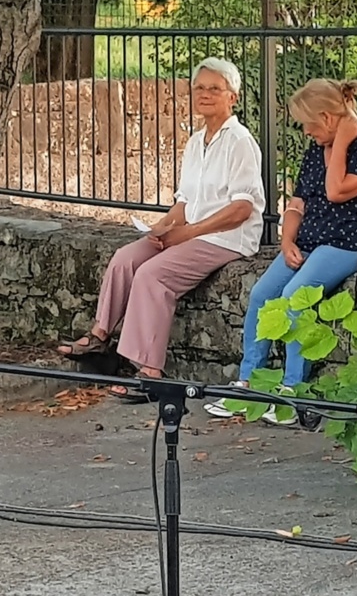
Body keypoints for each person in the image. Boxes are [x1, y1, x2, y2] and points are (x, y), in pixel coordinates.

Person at [57, 57, 264, 402]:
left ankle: (150, 372)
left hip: (225, 238)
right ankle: (100, 339)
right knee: (126, 258)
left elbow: (242, 208)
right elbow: (185, 201)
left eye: (215, 89)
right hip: (193, 231)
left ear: (233, 97)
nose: (205, 94)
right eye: (199, 87)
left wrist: (189, 232)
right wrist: (163, 227)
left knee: (153, 276)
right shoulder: (196, 141)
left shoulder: (239, 141)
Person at [204, 77, 357, 423]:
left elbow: (336, 191)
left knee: (295, 297)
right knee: (262, 294)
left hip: (351, 241)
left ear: (327, 117)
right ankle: (249, 382)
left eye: (309, 123)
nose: (306, 131)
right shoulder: (315, 150)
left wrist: (342, 140)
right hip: (309, 240)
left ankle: (294, 392)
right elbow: (297, 204)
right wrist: (287, 241)